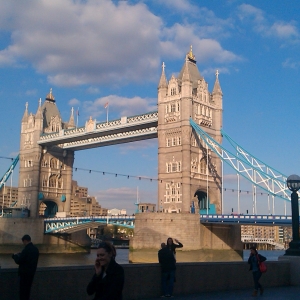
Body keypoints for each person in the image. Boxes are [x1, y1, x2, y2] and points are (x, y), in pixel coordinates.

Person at [12, 234, 39, 300]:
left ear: (25, 241)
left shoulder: (26, 249)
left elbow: (19, 261)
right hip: (31, 273)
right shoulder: (36, 249)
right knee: (28, 291)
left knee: (23, 291)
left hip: (24, 274)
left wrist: (14, 256)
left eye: (23, 242)